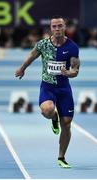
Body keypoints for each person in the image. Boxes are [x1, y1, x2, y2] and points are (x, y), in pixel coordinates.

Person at [15, 15, 80, 168]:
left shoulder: (72, 47)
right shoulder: (43, 44)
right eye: (54, 26)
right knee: (47, 110)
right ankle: (53, 117)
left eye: (60, 26)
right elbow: (32, 56)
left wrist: (68, 73)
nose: (57, 29)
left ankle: (61, 157)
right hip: (48, 87)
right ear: (50, 28)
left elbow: (76, 70)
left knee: (67, 124)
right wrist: (22, 68)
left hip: (64, 88)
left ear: (64, 27)